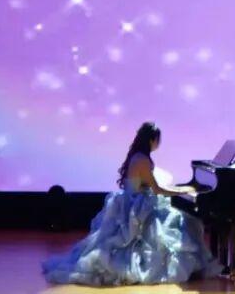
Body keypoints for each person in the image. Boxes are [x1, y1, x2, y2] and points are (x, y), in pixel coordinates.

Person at [42, 122, 223, 285]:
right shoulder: (143, 160)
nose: (159, 143)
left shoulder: (138, 156)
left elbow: (151, 186)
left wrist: (180, 188)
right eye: (158, 139)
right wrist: (184, 190)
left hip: (137, 200)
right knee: (183, 220)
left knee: (179, 219)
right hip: (138, 206)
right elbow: (157, 189)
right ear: (152, 139)